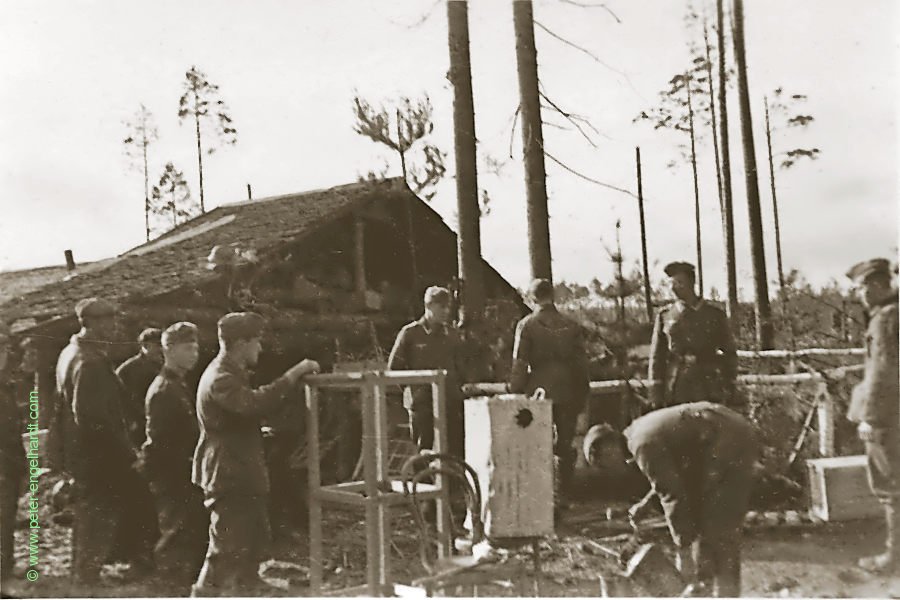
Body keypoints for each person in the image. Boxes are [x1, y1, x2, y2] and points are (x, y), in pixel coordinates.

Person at [191, 312, 320, 597]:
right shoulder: (221, 377)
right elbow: (252, 403)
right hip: (228, 472)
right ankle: (204, 594)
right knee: (226, 544)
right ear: (241, 343)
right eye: (256, 341)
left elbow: (236, 416)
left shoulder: (230, 374)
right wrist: (293, 375)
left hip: (241, 469)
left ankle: (248, 583)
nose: (260, 348)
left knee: (250, 536)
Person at [615, 401, 758, 597]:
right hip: (723, 429)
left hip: (725, 438)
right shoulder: (639, 433)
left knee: (719, 527)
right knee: (709, 526)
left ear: (606, 448)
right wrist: (647, 503)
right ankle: (707, 591)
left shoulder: (641, 444)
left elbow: (672, 494)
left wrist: (683, 550)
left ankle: (722, 594)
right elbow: (673, 478)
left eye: (600, 463)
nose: (608, 469)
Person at [54, 298, 150, 584]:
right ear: (91, 324)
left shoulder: (70, 352)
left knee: (91, 514)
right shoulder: (89, 362)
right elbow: (95, 419)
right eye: (109, 320)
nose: (115, 326)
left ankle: (83, 573)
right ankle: (86, 579)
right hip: (97, 456)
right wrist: (130, 453)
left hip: (81, 453)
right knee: (98, 514)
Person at [509, 278, 590, 506]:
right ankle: (564, 494)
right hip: (568, 390)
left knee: (537, 442)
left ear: (532, 298)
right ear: (552, 296)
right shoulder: (571, 325)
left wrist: (514, 390)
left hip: (539, 392)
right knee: (564, 443)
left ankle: (539, 496)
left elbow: (520, 362)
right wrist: (582, 392)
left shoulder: (527, 325)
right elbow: (581, 364)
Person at [141, 322, 207, 592]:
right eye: (188, 348)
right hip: (172, 476)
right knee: (175, 537)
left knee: (186, 536)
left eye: (196, 348)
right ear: (168, 350)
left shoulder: (177, 384)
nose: (195, 354)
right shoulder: (164, 389)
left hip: (181, 473)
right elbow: (160, 443)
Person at [845, 257, 899, 574]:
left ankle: (894, 559)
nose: (859, 295)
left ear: (879, 285)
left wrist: (870, 417)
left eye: (862, 287)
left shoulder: (885, 319)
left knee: (891, 487)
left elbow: (883, 370)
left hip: (888, 417)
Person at [387, 286, 467, 457]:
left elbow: (461, 366)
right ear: (429, 306)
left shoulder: (453, 335)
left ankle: (452, 482)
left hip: (450, 401)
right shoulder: (410, 333)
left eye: (448, 307)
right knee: (423, 449)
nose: (446, 311)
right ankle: (423, 482)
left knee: (454, 449)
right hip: (422, 404)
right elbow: (394, 368)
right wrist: (414, 392)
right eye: (441, 307)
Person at [648, 262, 737, 409]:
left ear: (692, 283)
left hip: (709, 386)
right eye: (671, 284)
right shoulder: (666, 316)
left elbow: (730, 352)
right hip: (676, 387)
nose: (673, 288)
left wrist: (729, 383)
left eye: (679, 283)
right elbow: (657, 356)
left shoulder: (714, 315)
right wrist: (655, 391)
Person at [0, 323, 25, 590]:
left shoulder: (4, 382)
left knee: (5, 516)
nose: (5, 353)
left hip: (7, 460)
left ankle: (4, 565)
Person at [116, 327, 163, 447]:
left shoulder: (162, 366)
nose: (160, 349)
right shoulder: (129, 369)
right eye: (157, 345)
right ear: (145, 345)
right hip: (135, 422)